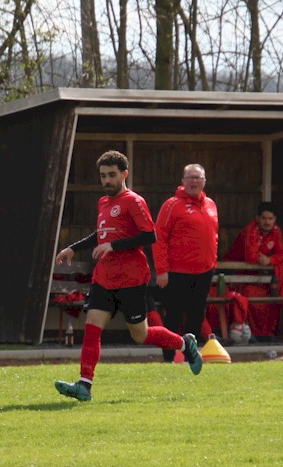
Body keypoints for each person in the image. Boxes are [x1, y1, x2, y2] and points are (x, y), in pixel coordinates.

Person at [53, 151, 203, 402]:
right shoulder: (103, 202)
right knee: (92, 328)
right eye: (103, 176)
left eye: (112, 175)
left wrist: (113, 246)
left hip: (132, 279)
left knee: (140, 335)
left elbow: (149, 236)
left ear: (124, 174)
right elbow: (100, 236)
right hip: (104, 278)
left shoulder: (134, 201)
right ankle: (84, 386)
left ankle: (184, 344)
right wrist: (73, 247)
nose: (107, 180)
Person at [154, 163, 219, 362]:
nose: (194, 181)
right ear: (183, 181)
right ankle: (168, 358)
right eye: (190, 177)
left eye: (198, 178)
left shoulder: (211, 204)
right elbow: (159, 238)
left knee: (197, 316)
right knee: (173, 316)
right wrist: (162, 270)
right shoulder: (172, 205)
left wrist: (213, 262)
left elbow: (213, 236)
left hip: (204, 271)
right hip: (177, 271)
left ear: (204, 181)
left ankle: (191, 356)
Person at [224, 201, 283, 338]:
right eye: (264, 218)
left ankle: (267, 334)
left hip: (257, 278)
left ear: (275, 220)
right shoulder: (251, 229)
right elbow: (251, 257)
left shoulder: (276, 231)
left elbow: (282, 254)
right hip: (237, 276)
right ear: (257, 218)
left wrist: (269, 260)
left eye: (270, 219)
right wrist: (264, 259)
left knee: (274, 298)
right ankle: (252, 333)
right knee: (250, 296)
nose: (267, 222)